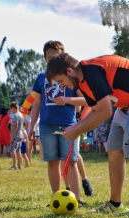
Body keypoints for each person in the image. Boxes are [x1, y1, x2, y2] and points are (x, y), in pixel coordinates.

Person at [46, 53, 129, 215]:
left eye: (61, 81)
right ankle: (115, 204)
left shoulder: (91, 72)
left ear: (69, 71)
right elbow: (95, 110)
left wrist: (77, 130)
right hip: (126, 104)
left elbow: (106, 111)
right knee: (114, 149)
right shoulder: (82, 83)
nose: (62, 86)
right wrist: (75, 127)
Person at [29, 40, 87, 205]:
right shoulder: (41, 78)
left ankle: (76, 199)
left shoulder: (72, 77)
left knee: (70, 162)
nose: (52, 60)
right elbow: (37, 104)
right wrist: (32, 126)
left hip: (68, 125)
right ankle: (56, 197)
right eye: (49, 57)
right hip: (47, 126)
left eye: (56, 56)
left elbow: (85, 100)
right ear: (45, 59)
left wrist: (67, 100)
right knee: (52, 162)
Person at [9, 101, 24, 170]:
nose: (11, 111)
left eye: (11, 109)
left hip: (16, 135)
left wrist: (12, 137)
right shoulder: (21, 114)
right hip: (20, 134)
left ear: (13, 108)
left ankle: (14, 165)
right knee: (18, 150)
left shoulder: (15, 115)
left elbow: (15, 127)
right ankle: (19, 165)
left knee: (13, 150)